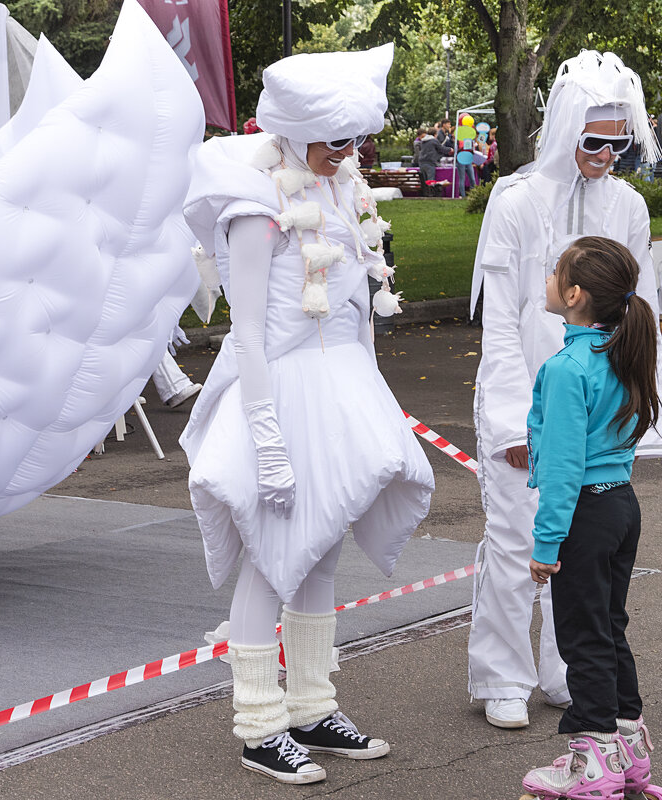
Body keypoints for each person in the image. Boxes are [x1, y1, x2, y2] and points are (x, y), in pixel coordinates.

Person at [180, 43, 434, 784]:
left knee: (322, 547)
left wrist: (374, 398)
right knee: (270, 556)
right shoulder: (255, 210)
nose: (348, 153)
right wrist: (267, 445)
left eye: (357, 139)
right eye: (335, 141)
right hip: (281, 394)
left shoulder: (340, 188)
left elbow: (354, 308)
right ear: (292, 132)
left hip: (341, 388)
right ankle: (259, 725)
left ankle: (313, 706)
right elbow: (250, 334)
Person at [466, 50, 662, 731]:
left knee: (581, 547)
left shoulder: (629, 205)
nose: (607, 154)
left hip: (598, 406)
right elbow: (500, 320)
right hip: (527, 392)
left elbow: (641, 319)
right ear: (564, 131)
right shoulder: (518, 202)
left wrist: (640, 413)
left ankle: (567, 669)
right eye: (593, 140)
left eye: (620, 141)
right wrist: (508, 421)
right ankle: (501, 673)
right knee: (513, 538)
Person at [519, 236, 662, 800]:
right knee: (608, 627)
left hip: (582, 513)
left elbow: (560, 468)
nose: (549, 279)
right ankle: (626, 742)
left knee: (581, 636)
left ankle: (593, 755)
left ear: (574, 295)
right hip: (620, 505)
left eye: (556, 272)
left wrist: (546, 544)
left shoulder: (567, 368)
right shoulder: (621, 350)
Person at [417, 126, 453, 195]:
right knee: (430, 181)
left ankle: (425, 194)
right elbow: (441, 149)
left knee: (424, 181)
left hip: (421, 162)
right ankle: (431, 195)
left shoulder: (423, 141)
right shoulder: (433, 140)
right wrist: (450, 149)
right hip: (430, 163)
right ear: (435, 134)